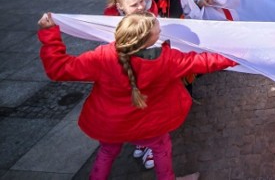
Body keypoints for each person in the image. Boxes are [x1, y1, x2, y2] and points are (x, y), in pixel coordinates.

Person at [37, 11, 236, 180]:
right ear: (149, 38)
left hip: (111, 124)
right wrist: (240, 56)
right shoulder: (168, 59)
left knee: (107, 152)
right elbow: (206, 61)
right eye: (158, 27)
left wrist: (49, 34)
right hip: (150, 124)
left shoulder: (102, 56)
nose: (161, 27)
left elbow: (58, 69)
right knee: (161, 149)